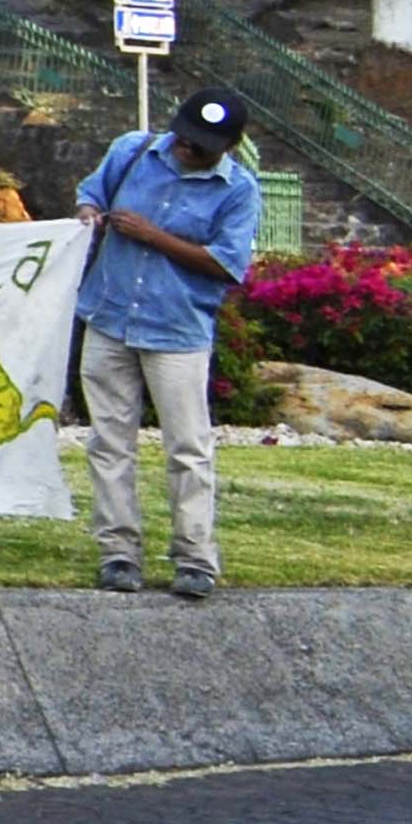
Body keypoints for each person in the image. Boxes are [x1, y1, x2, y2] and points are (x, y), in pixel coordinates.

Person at [74, 87, 261, 601]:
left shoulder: (239, 190)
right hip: (109, 318)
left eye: (202, 145)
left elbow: (227, 265)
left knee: (188, 448)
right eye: (184, 136)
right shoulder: (132, 150)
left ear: (229, 147)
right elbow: (92, 192)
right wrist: (89, 214)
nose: (187, 148)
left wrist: (152, 236)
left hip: (177, 331)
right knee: (110, 443)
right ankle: (118, 553)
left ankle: (195, 559)